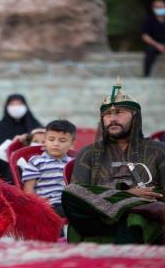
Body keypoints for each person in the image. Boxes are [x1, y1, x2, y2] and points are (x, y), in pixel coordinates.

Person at [62, 82, 165, 245]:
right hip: (99, 219)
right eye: (107, 115)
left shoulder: (158, 150)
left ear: (135, 116)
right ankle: (134, 206)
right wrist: (128, 194)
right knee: (71, 191)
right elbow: (79, 194)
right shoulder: (88, 153)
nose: (113, 119)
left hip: (144, 217)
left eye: (119, 113)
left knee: (138, 217)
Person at [21, 120, 75, 217]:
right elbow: (29, 189)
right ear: (45, 141)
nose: (56, 144)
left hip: (69, 202)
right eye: (51, 139)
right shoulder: (36, 162)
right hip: (48, 205)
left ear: (72, 143)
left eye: (62, 141)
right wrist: (36, 207)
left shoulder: (72, 163)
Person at [0, 94, 42, 183]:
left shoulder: (34, 125)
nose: (16, 107)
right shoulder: (0, 127)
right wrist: (15, 142)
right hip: (8, 166)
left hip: (35, 165)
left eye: (19, 104)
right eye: (12, 104)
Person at [142, 0, 165, 77]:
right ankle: (146, 75)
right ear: (153, 8)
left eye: (161, 7)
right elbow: (145, 36)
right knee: (149, 51)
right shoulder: (149, 20)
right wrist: (158, 45)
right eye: (157, 7)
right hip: (154, 45)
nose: (159, 9)